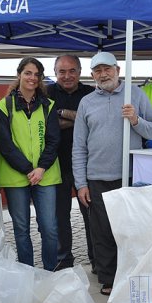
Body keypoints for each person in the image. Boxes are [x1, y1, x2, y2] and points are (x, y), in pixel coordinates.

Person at [73, 52, 152, 295]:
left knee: (130, 229)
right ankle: (109, 277)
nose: (103, 74)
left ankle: (132, 274)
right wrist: (81, 183)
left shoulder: (135, 94)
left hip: (130, 175)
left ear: (118, 70)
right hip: (97, 177)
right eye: (98, 71)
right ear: (92, 75)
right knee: (101, 230)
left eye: (107, 69)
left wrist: (135, 120)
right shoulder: (87, 102)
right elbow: (79, 146)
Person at [0, 57, 60, 270]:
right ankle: (27, 273)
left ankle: (50, 272)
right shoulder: (4, 106)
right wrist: (28, 169)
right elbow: (5, 144)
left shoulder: (48, 106)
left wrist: (40, 168)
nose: (32, 78)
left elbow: (53, 140)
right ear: (19, 74)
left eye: (36, 74)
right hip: (16, 177)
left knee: (49, 228)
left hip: (46, 174)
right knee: (21, 228)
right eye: (28, 73)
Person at [50, 54, 95, 271]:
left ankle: (97, 259)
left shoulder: (91, 93)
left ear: (80, 72)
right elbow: (50, 125)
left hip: (86, 166)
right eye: (62, 71)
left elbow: (92, 122)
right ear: (55, 73)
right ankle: (63, 260)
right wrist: (79, 119)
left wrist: (62, 114)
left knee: (91, 216)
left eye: (72, 71)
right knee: (60, 216)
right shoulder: (46, 93)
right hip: (55, 164)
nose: (67, 76)